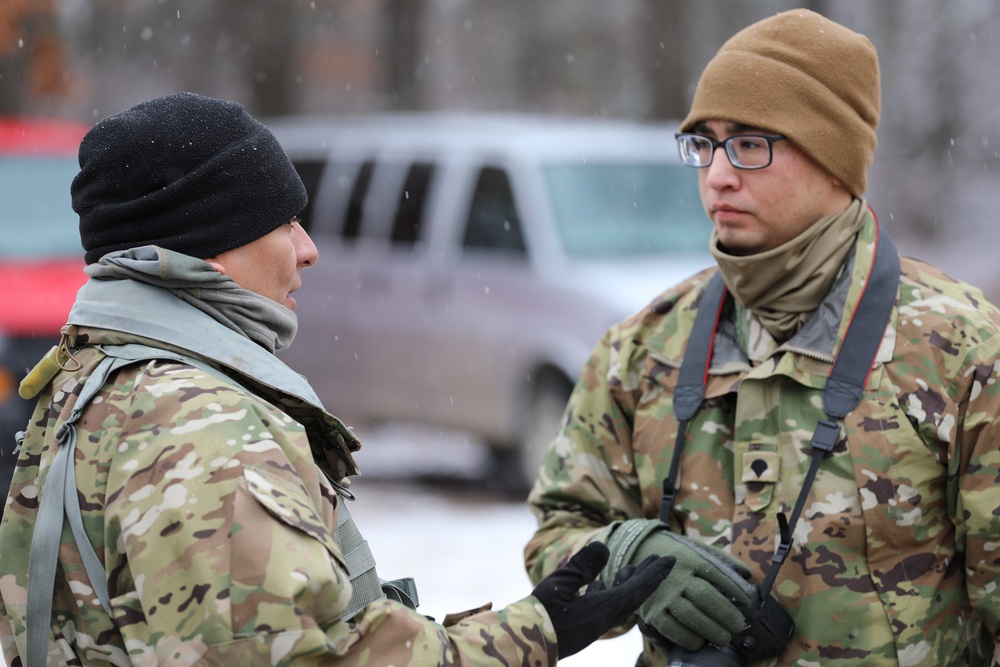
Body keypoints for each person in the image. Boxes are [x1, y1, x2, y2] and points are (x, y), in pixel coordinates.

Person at [0, 92, 676, 666]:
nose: (308, 248)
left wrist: (531, 629)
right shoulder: (203, 430)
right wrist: (530, 636)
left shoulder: (98, 382)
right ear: (208, 240)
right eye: (282, 221)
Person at [524, 8, 1000, 667]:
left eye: (750, 143)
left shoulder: (962, 352)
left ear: (835, 160)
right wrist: (630, 551)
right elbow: (556, 534)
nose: (718, 173)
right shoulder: (643, 347)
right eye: (704, 143)